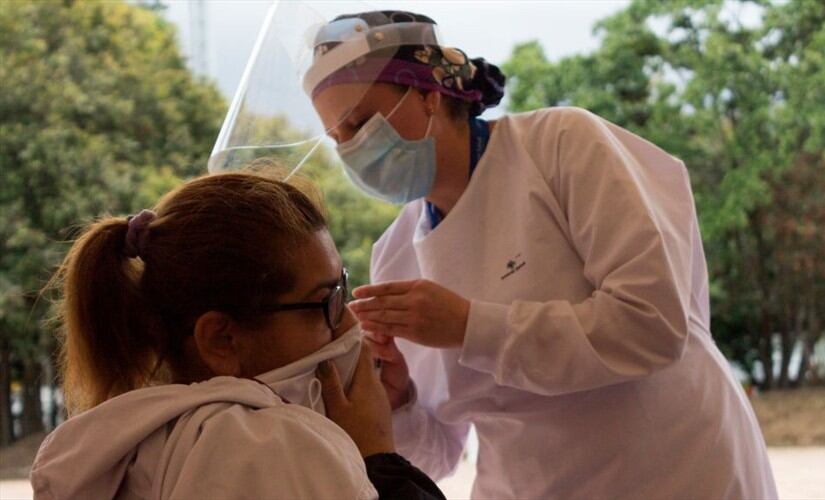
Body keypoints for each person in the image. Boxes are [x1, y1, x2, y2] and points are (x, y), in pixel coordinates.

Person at [304, 10, 779, 499]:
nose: (353, 150)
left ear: (429, 92)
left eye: (361, 123)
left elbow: (652, 325)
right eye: (338, 137)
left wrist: (470, 326)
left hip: (674, 470)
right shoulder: (396, 255)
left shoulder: (562, 147)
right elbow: (441, 456)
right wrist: (399, 403)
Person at [30, 173, 445, 500]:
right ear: (222, 340)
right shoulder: (266, 448)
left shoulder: (137, 444)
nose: (350, 326)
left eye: (344, 288)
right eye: (327, 302)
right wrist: (377, 457)